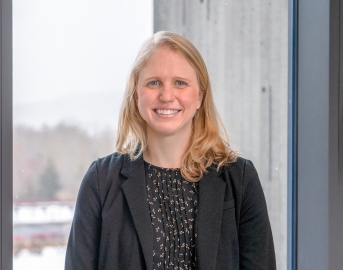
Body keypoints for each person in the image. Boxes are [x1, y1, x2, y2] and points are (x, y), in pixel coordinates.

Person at [65, 31, 276, 270]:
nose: (166, 95)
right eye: (154, 82)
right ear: (136, 95)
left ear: (200, 97)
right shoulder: (101, 180)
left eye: (180, 83)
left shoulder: (240, 178)